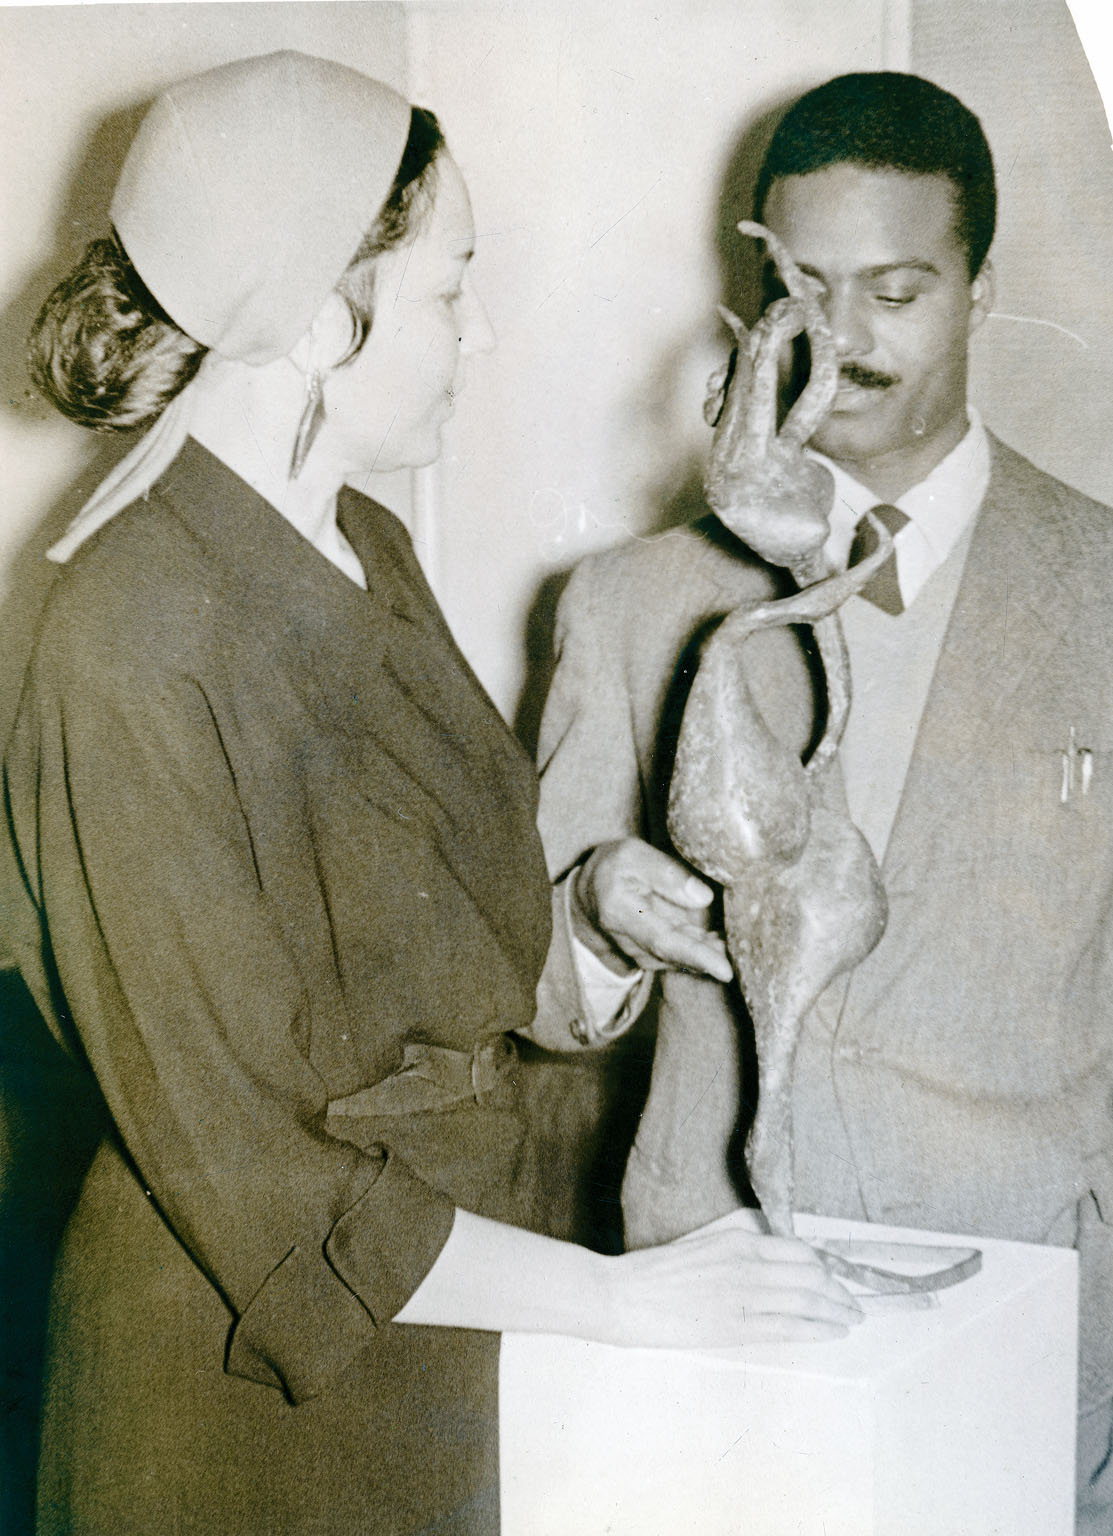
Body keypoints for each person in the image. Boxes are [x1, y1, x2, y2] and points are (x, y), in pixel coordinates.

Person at [0, 51, 861, 1536]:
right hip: (244, 1399)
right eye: (452, 289)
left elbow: (412, 943)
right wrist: (629, 1304)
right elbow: (258, 1171)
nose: (477, 336)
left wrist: (586, 922)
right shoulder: (121, 634)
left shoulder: (361, 545)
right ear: (325, 313)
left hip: (455, 1321)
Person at [536, 70, 1113, 1530]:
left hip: (1026, 1325)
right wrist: (601, 914)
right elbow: (535, 988)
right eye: (804, 289)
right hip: (707, 1320)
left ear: (980, 289)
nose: (841, 342)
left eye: (896, 291)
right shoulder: (627, 602)